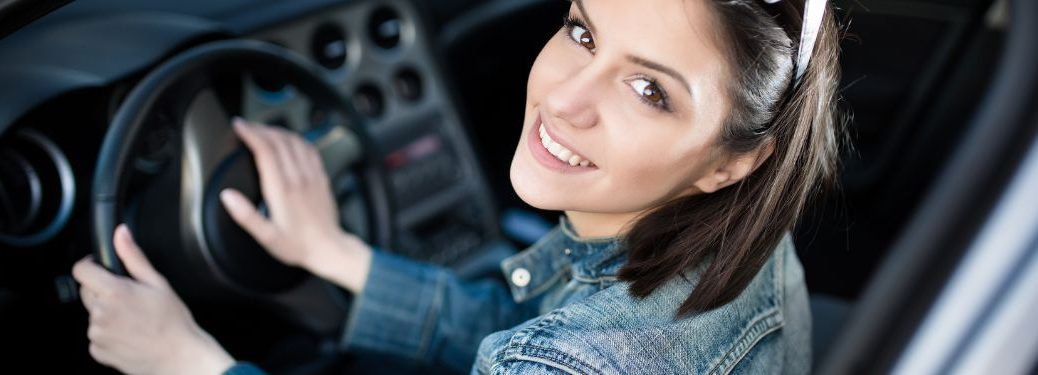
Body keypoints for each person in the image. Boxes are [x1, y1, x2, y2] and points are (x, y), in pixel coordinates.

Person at [72, 0, 843, 373]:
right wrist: (339, 256)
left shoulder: (568, 364)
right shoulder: (739, 238)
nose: (564, 100)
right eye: (583, 33)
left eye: (650, 91)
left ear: (731, 161)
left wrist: (188, 360)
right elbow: (519, 316)